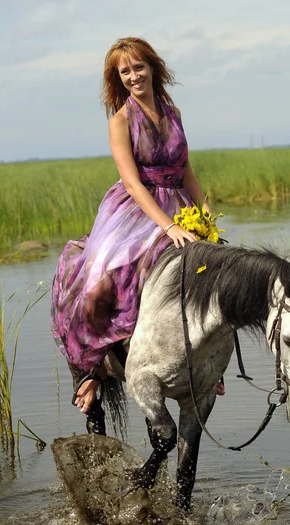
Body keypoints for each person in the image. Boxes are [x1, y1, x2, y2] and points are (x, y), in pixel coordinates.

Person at [51, 36, 224, 417]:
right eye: (124, 71)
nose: (133, 76)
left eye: (138, 67)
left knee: (211, 273)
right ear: (118, 78)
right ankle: (93, 367)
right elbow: (131, 182)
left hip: (178, 203)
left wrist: (206, 214)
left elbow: (186, 171)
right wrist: (167, 227)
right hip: (135, 209)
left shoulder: (173, 111)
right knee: (99, 280)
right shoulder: (121, 120)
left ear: (153, 67)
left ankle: (207, 364)